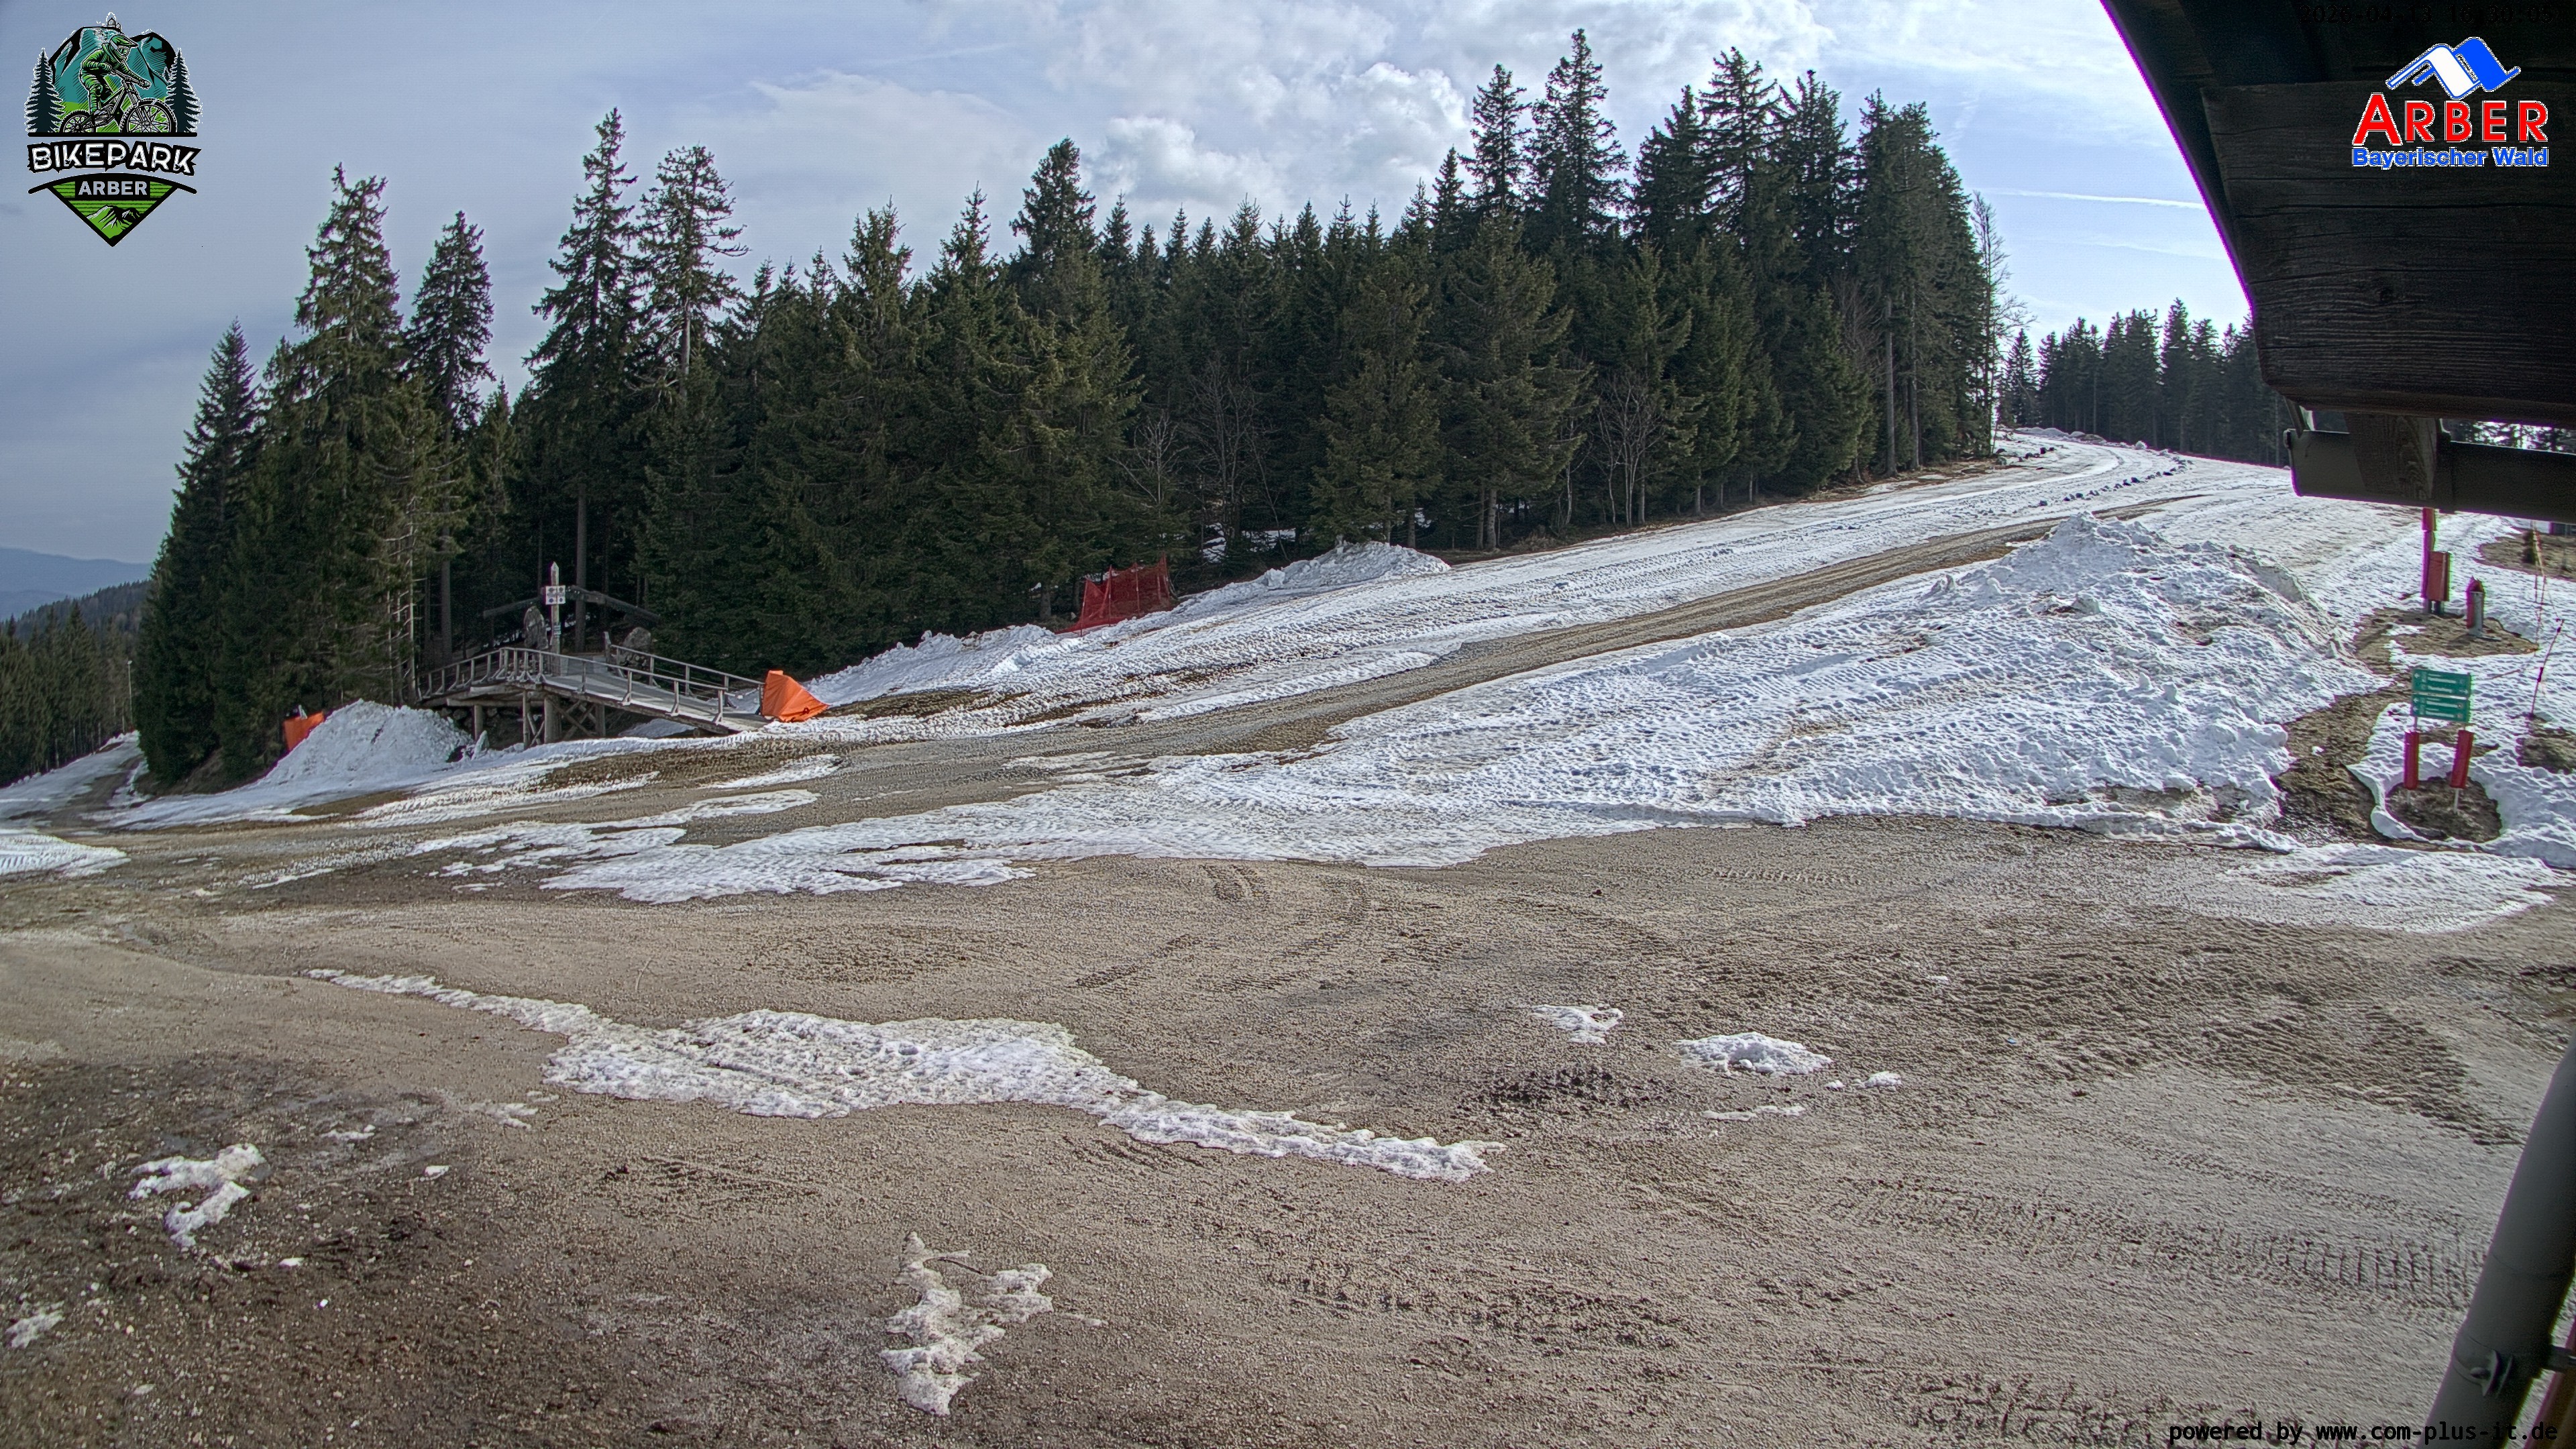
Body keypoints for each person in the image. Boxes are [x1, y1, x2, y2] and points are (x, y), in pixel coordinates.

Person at [78, 16, 147, 126]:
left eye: (127, 52)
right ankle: (94, 112)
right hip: (88, 74)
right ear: (114, 47)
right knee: (97, 87)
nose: (124, 54)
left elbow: (128, 72)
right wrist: (101, 65)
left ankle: (123, 127)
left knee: (114, 105)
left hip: (99, 77)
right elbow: (85, 64)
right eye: (122, 50)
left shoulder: (118, 62)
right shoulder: (102, 53)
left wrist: (140, 81)